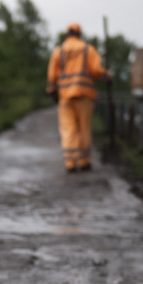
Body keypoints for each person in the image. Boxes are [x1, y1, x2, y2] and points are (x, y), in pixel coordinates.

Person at [47, 22, 112, 172]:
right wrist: (107, 76)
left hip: (65, 96)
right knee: (84, 128)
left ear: (67, 34)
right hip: (84, 96)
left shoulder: (59, 51)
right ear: (79, 34)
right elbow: (96, 71)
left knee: (68, 128)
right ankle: (84, 161)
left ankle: (70, 163)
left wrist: (52, 90)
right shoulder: (88, 50)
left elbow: (52, 74)